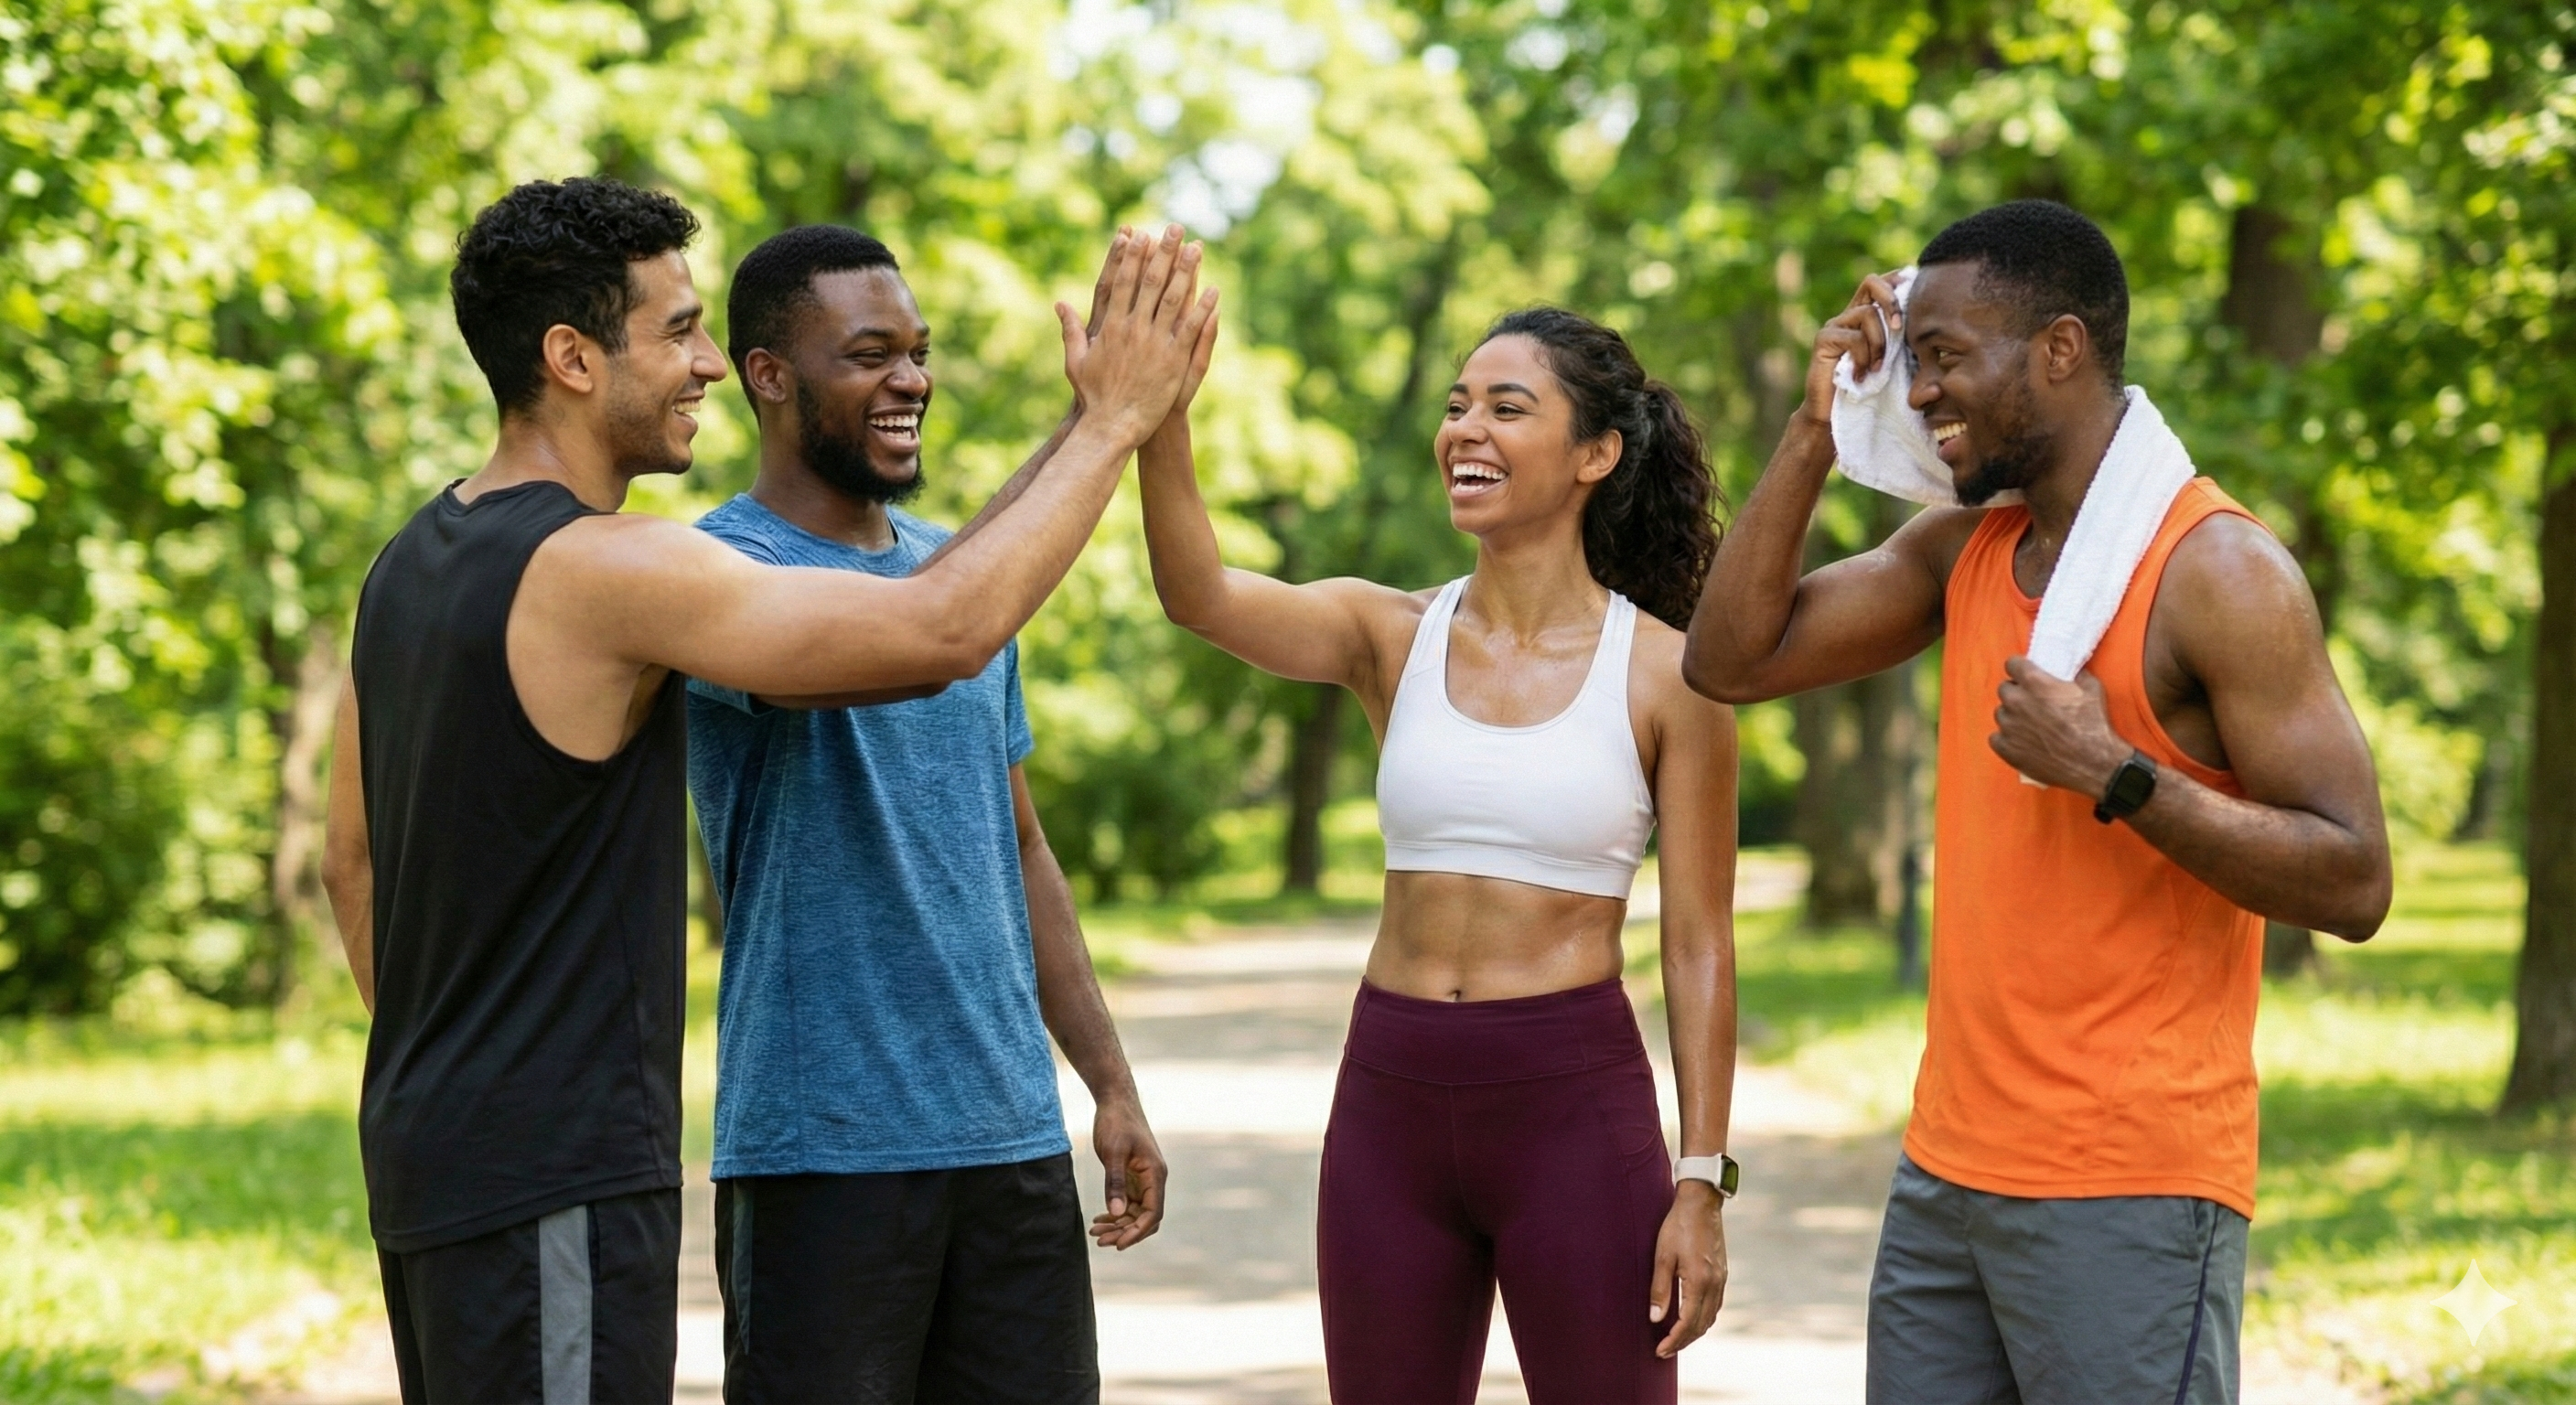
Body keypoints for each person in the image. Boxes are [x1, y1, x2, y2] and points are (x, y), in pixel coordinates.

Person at [319, 178, 1213, 1405]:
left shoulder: (405, 567)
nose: (704, 366)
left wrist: (452, 1081)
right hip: (562, 1172)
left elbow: (349, 866)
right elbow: (939, 630)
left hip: (452, 1158)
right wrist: (1109, 424)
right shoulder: (612, 566)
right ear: (572, 358)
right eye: (678, 332)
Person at [1682, 199, 2393, 1404]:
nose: (1917, 396)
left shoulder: (2219, 572)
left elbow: (2354, 878)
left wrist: (2118, 774)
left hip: (2131, 1182)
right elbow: (1731, 661)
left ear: (2058, 351)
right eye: (1913, 364)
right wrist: (1814, 430)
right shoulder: (1964, 549)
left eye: (1947, 358)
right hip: (1946, 1175)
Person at [1139, 306, 1740, 1403]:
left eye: (1508, 408)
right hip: (1390, 1099)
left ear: (1594, 455)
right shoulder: (1390, 635)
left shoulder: (1668, 676)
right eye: (1457, 403)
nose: (1465, 426)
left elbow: (1698, 944)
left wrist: (1700, 1180)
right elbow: (1201, 597)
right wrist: (1157, 414)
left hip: (1571, 1107)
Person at [688, 224, 1190, 1403]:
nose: (911, 379)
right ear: (767, 374)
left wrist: (1106, 1083)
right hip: (823, 1152)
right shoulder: (711, 572)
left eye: (918, 351)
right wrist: (1104, 427)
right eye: (869, 353)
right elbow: (925, 633)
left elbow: (1017, 844)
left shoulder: (956, 571)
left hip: (1008, 1142)